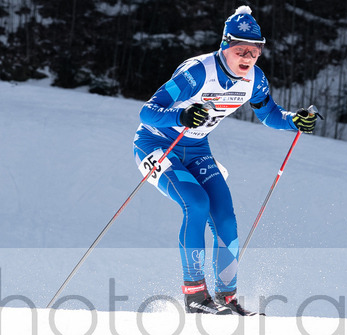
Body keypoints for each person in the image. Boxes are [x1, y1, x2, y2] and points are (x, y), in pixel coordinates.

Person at [133, 5, 316, 315]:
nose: (247, 57)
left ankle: (226, 298)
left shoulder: (254, 80)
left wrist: (293, 120)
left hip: (197, 150)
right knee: (196, 203)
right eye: (240, 50)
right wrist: (181, 114)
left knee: (226, 219)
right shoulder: (198, 72)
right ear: (224, 46)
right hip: (157, 143)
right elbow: (147, 111)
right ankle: (195, 297)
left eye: (254, 51)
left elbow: (269, 114)